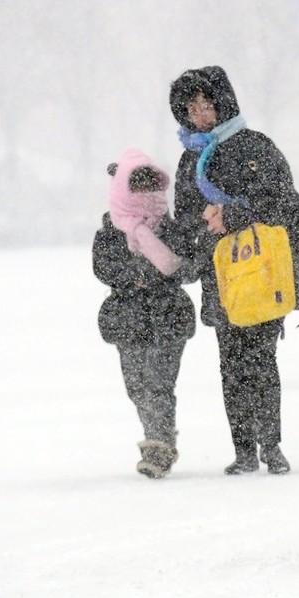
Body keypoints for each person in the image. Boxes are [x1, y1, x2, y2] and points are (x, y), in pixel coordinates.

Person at [169, 66, 299, 476]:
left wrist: (233, 215)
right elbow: (183, 223)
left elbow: (282, 202)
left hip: (263, 273)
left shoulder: (256, 147)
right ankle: (243, 449)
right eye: (192, 109)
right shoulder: (189, 162)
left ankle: (271, 445)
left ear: (223, 104)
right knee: (231, 365)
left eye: (207, 105)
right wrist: (205, 223)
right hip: (221, 278)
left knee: (261, 360)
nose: (201, 116)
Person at [93, 148, 200, 479]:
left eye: (150, 186)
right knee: (137, 385)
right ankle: (158, 436)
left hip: (168, 316)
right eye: (136, 186)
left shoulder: (172, 228)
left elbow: (191, 267)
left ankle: (159, 445)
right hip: (128, 318)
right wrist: (132, 275)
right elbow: (102, 266)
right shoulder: (111, 230)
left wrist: (158, 274)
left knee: (159, 382)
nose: (145, 194)